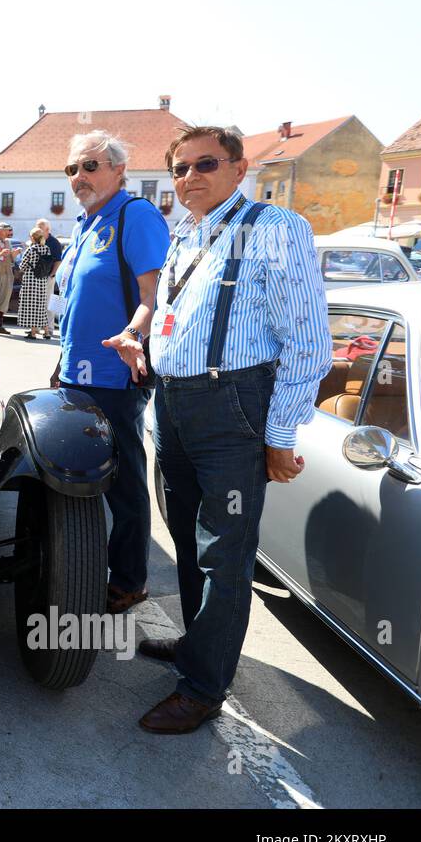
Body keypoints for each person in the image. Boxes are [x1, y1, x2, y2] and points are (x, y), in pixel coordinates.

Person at [118, 126, 330, 734]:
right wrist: (142, 343)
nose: (189, 178)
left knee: (224, 555)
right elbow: (177, 313)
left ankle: (204, 687)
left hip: (231, 405)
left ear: (240, 168)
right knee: (187, 540)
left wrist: (281, 432)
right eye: (179, 168)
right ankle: (197, 648)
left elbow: (308, 343)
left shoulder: (275, 228)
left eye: (205, 164)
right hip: (176, 402)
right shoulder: (186, 232)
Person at [50, 130, 168, 617]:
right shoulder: (85, 224)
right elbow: (76, 304)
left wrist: (134, 336)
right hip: (77, 375)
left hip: (115, 378)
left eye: (91, 166)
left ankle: (128, 582)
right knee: (78, 478)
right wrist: (60, 364)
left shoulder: (134, 216)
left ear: (120, 170)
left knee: (122, 484)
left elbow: (153, 296)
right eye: (72, 169)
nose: (80, 177)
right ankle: (81, 567)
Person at [16, 226, 54, 339]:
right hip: (42, 280)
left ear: (33, 238)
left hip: (30, 281)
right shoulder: (46, 248)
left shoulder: (30, 249)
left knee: (31, 306)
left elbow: (22, 266)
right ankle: (46, 332)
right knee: (40, 306)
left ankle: (33, 332)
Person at [37, 218, 63, 336]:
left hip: (48, 277)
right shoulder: (37, 240)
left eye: (40, 229)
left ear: (47, 229)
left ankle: (50, 329)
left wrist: (52, 274)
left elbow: (58, 261)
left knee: (48, 304)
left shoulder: (54, 242)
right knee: (37, 303)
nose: (38, 231)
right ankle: (36, 328)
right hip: (37, 278)